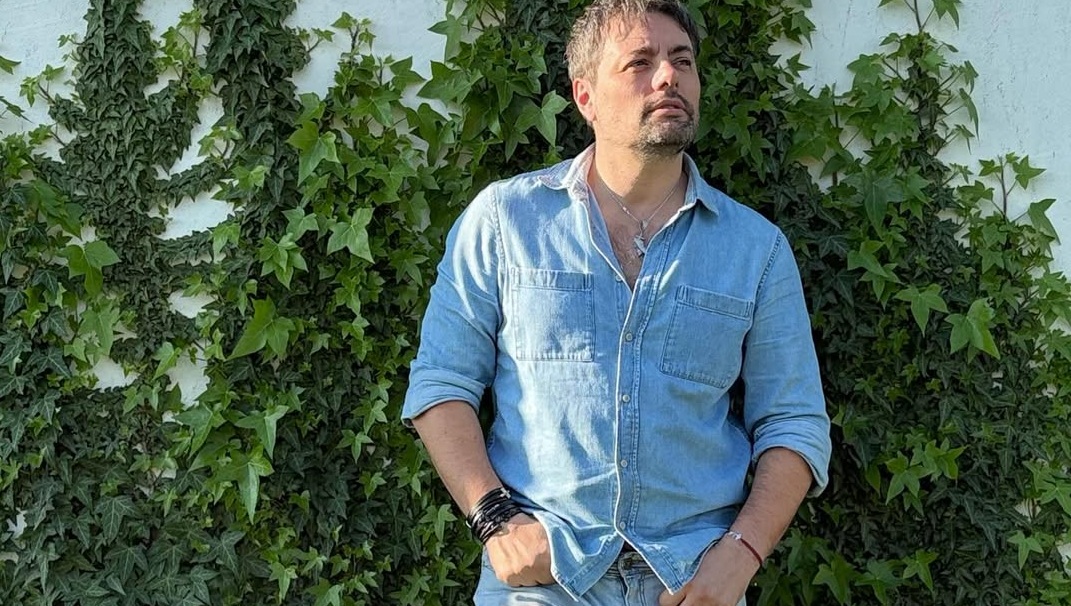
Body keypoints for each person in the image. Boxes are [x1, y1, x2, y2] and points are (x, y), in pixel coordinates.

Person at [402, 0, 832, 604]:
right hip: (543, 581)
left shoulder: (755, 249)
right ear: (586, 97)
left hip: (692, 583)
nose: (668, 76)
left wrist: (742, 555)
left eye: (683, 60)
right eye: (640, 62)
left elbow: (794, 421)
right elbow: (442, 383)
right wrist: (495, 518)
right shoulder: (504, 222)